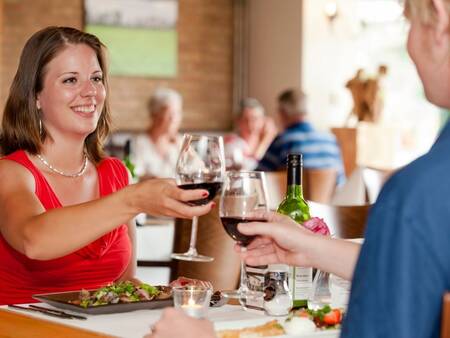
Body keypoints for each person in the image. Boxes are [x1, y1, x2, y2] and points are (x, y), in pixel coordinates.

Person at [145, 0, 450, 336]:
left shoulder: (417, 197)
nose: (408, 45)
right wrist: (312, 248)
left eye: (409, 23)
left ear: (439, 18)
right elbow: (413, 272)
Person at [0, 26, 214, 305]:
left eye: (96, 78)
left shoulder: (115, 174)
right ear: (36, 95)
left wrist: (164, 292)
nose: (90, 92)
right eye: (70, 80)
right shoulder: (10, 173)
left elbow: (122, 284)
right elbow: (34, 240)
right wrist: (134, 199)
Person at [257, 89, 345, 186]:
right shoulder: (330, 140)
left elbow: (258, 178)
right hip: (326, 201)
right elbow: (341, 182)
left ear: (283, 113)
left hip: (289, 200)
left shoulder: (283, 141)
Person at [131, 87, 183, 179]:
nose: (174, 119)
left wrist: (184, 148)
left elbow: (198, 171)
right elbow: (134, 175)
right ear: (154, 115)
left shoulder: (179, 141)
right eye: (169, 113)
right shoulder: (139, 142)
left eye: (177, 113)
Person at [224, 98, 276, 170]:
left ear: (264, 120)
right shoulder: (232, 142)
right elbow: (249, 167)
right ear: (237, 121)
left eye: (255, 119)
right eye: (245, 120)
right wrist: (267, 138)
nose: (250, 124)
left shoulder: (274, 143)